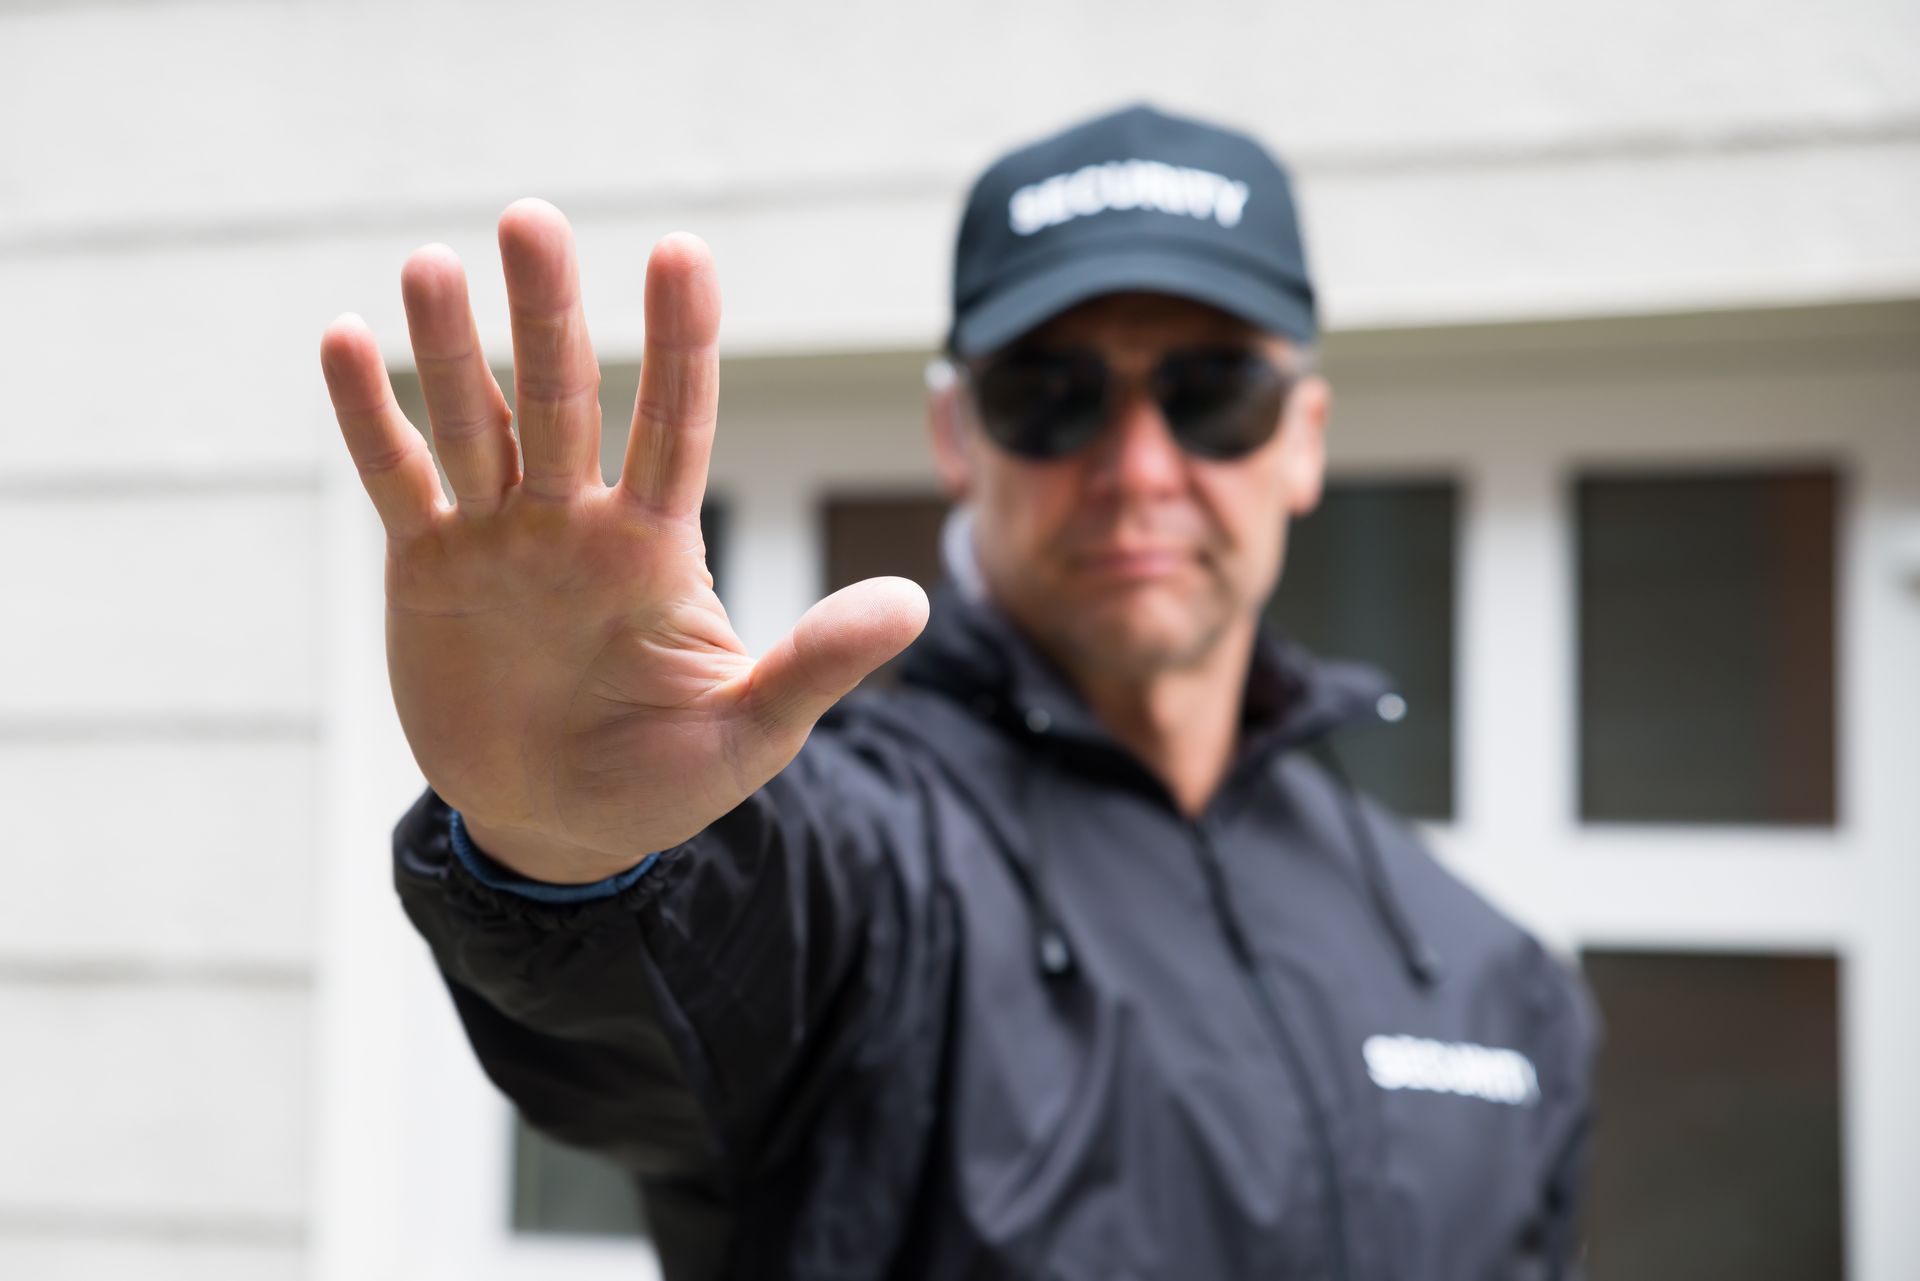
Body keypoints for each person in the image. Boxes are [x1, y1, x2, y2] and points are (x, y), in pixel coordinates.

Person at [320, 104, 1597, 1280]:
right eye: (1053, 395)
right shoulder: (870, 862)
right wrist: (569, 850)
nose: (1140, 467)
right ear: (954, 437)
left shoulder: (1488, 975)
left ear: (1305, 436)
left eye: (1214, 393)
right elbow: (666, 1000)